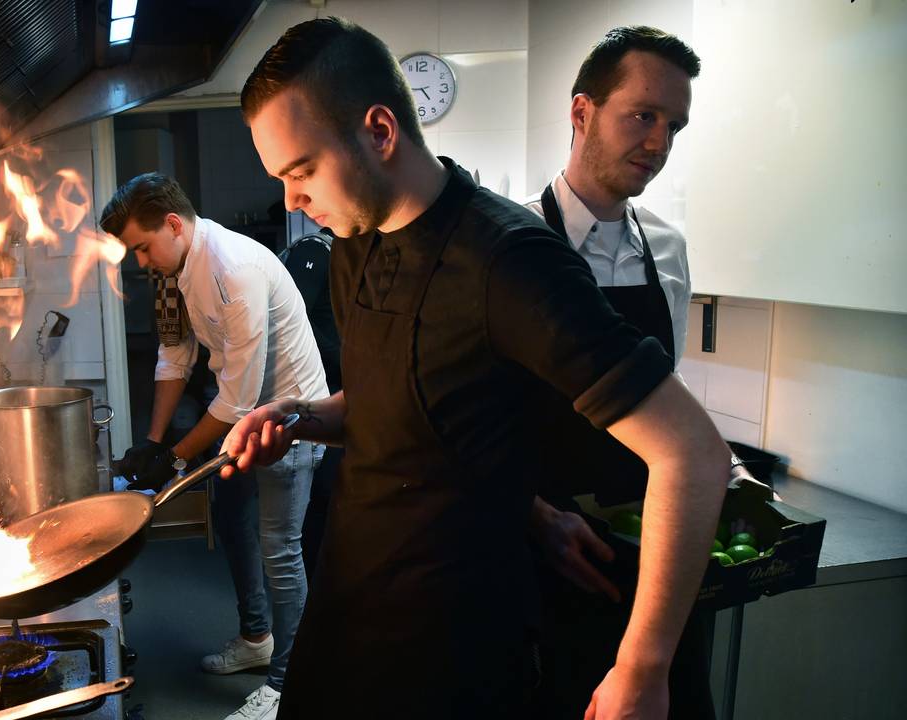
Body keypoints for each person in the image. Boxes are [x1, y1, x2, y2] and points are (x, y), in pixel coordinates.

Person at [221, 17, 731, 718]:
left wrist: (641, 669)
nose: (291, 199)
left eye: (301, 170)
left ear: (379, 131)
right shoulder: (355, 244)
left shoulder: (512, 261)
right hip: (345, 619)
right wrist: (302, 417)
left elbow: (692, 453)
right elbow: (388, 406)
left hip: (451, 655)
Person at [519, 26, 720, 720]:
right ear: (582, 113)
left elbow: (667, 395)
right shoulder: (513, 245)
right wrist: (531, 515)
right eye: (643, 115)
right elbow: (471, 423)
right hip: (546, 564)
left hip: (648, 556)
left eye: (674, 126)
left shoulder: (667, 247)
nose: (660, 145)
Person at [102, 173, 328, 720]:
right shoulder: (177, 269)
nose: (139, 260)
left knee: (279, 548)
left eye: (141, 246)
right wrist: (153, 443)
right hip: (243, 414)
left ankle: (285, 685)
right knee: (230, 522)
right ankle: (257, 640)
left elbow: (238, 401)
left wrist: (175, 456)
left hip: (289, 422)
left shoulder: (233, 269)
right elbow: (174, 357)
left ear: (173, 225)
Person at [277, 229, 342, 579]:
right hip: (322, 389)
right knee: (324, 497)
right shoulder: (316, 251)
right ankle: (318, 586)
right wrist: (350, 361)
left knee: (328, 497)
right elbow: (295, 323)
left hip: (333, 388)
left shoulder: (333, 255)